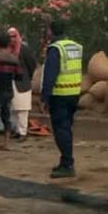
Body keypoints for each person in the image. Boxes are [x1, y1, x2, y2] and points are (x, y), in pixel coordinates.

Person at [41, 21, 83, 179]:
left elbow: (50, 75)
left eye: (48, 30)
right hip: (74, 93)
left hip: (60, 95)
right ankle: (65, 161)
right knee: (67, 128)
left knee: (61, 130)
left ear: (51, 31)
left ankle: (67, 164)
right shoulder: (75, 47)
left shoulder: (55, 49)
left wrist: (44, 98)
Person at [0, 32, 21, 151]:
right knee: (6, 116)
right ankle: (6, 143)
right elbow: (19, 76)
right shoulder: (14, 59)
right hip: (9, 91)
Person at [7, 27, 38, 142]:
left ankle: (23, 132)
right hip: (9, 82)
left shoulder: (24, 49)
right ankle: (15, 130)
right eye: (9, 37)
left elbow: (31, 64)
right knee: (13, 108)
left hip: (22, 82)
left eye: (14, 36)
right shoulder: (5, 50)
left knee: (22, 109)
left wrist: (27, 76)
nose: (12, 39)